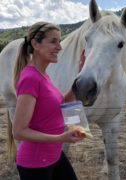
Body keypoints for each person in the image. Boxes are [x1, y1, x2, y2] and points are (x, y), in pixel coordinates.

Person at [12, 21, 84, 180]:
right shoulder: (30, 78)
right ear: (35, 44)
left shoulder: (43, 75)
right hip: (35, 162)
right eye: (53, 41)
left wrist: (80, 77)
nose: (59, 47)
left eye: (59, 41)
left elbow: (59, 103)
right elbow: (18, 131)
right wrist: (60, 138)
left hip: (53, 154)